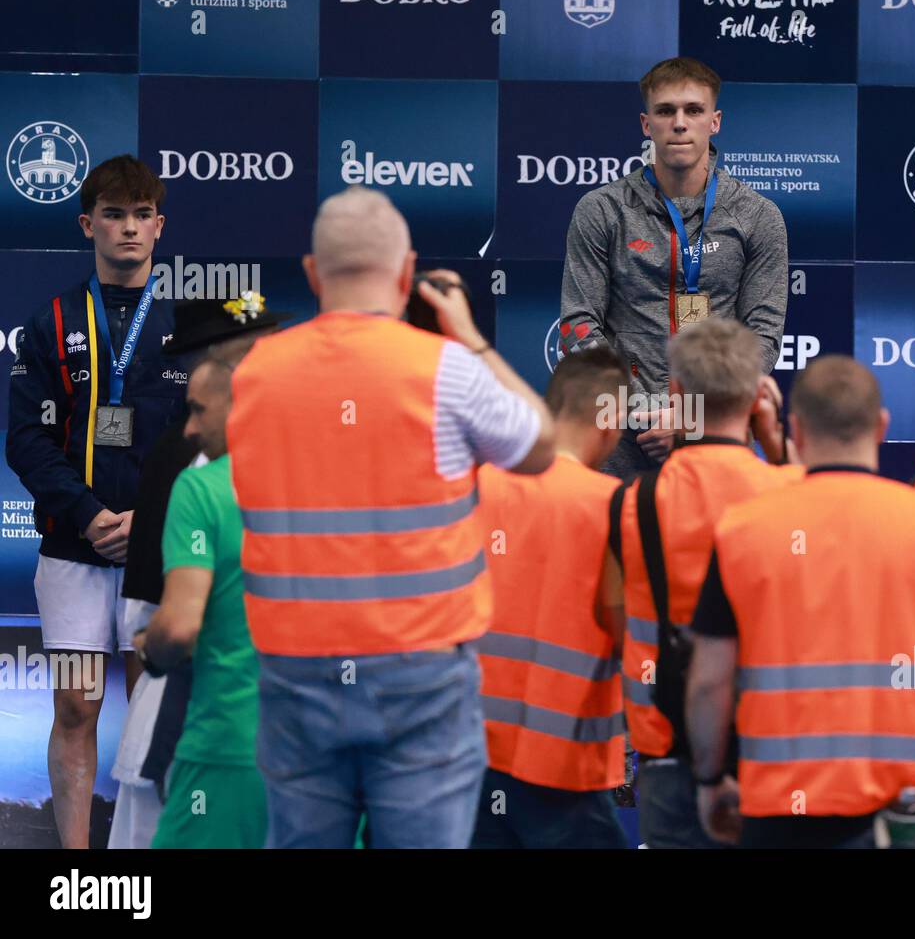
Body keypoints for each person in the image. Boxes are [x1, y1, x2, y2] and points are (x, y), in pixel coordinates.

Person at [226, 187, 554, 849]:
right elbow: (541, 446)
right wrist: (470, 338)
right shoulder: (446, 370)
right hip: (422, 676)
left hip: (295, 671)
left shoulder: (256, 372)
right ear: (407, 275)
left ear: (314, 275)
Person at [686, 356, 915, 849]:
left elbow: (709, 683)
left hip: (781, 806)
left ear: (797, 430)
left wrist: (708, 780)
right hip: (904, 806)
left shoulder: (743, 529)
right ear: (881, 427)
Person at [6, 154, 185, 848]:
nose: (129, 229)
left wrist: (150, 521)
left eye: (142, 215)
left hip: (157, 559)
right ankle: (79, 868)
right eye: (114, 215)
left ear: (159, 226)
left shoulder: (185, 326)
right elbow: (25, 441)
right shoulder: (49, 322)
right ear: (89, 225)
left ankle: (145, 856)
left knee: (151, 709)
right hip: (75, 560)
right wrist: (87, 515)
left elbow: (204, 443)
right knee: (77, 708)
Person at [108, 296, 284, 849]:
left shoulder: (291, 459)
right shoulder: (181, 458)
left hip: (245, 733)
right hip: (200, 719)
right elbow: (154, 612)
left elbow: (158, 628)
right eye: (247, 348)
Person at [614, 317, 797, 848]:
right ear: (759, 393)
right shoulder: (792, 494)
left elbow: (609, 615)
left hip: (665, 747)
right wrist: (775, 440)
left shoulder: (630, 506)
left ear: (675, 393)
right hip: (773, 742)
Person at [561, 56, 789, 477]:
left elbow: (763, 335)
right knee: (622, 542)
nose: (679, 123)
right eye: (666, 111)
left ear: (714, 121)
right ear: (647, 124)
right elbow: (577, 323)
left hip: (716, 430)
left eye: (693, 110)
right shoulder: (602, 210)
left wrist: (691, 418)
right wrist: (643, 411)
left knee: (710, 545)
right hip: (620, 432)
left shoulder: (758, 216)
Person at [471, 348, 631, 849]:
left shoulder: (476, 486)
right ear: (609, 420)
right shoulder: (612, 508)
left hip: (469, 753)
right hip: (566, 767)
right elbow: (631, 633)